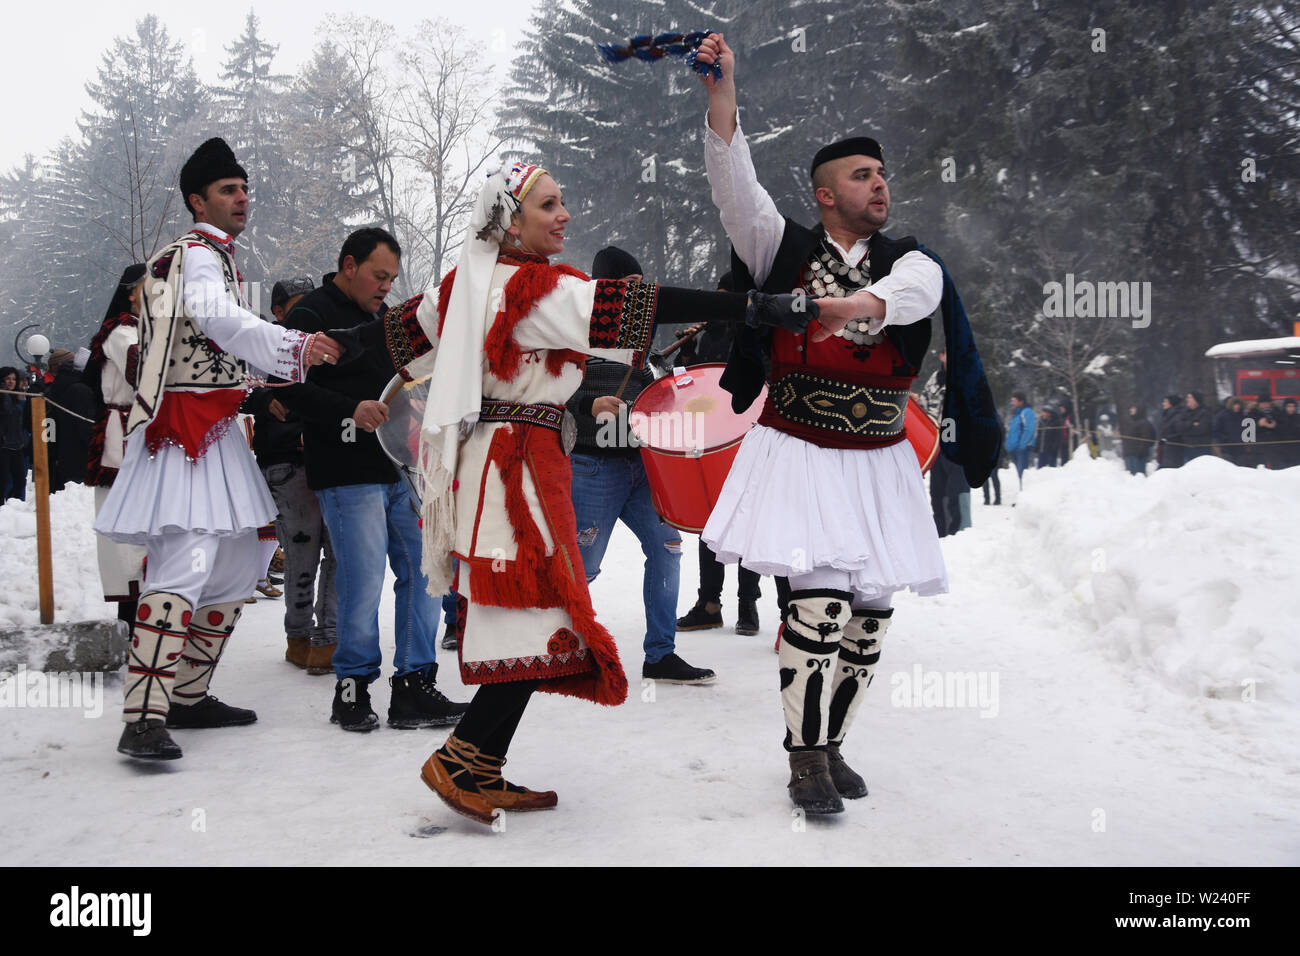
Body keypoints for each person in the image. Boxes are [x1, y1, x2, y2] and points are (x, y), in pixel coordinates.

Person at [363, 159, 818, 824]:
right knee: (533, 615)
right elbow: (640, 304)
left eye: (563, 201)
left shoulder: (462, 286)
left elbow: (389, 338)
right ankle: (462, 758)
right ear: (509, 221)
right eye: (548, 205)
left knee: (532, 616)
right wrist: (751, 307)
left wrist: (310, 348)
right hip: (515, 474)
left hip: (506, 467)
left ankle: (479, 762)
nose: (564, 214)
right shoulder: (535, 291)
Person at [693, 34, 999, 815]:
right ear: (827, 193)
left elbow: (919, 293)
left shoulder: (909, 259)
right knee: (818, 605)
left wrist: (852, 306)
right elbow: (737, 190)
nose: (881, 185)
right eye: (863, 176)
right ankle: (802, 759)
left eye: (884, 174)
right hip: (801, 447)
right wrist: (722, 92)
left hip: (879, 455)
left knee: (870, 619)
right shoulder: (780, 247)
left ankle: (830, 742)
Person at [94, 137, 344, 760]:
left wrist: (268, 374)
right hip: (184, 434)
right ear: (196, 199)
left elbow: (220, 340)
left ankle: (188, 695)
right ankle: (143, 714)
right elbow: (216, 320)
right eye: (229, 190)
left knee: (236, 565)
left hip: (217, 428)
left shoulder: (216, 257)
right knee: (185, 563)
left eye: (244, 189)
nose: (242, 199)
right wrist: (293, 347)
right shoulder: (195, 256)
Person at [278, 228, 466, 732]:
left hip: (397, 469)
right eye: (379, 276)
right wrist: (348, 410)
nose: (386, 286)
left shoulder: (387, 321)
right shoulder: (310, 316)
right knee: (362, 582)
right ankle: (352, 690)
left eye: (392, 279)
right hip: (345, 472)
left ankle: (414, 686)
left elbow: (406, 382)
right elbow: (288, 390)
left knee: (426, 572)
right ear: (348, 265)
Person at [567, 245, 715, 685]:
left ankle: (660, 655)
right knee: (584, 565)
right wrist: (587, 403)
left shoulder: (642, 337)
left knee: (668, 548)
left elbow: (651, 391)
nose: (635, 296)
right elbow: (545, 391)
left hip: (641, 467)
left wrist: (674, 380)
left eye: (639, 287)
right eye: (626, 287)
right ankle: (556, 645)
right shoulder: (575, 332)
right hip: (593, 468)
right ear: (604, 289)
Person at [245, 275, 339, 672]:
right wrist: (265, 397)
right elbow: (236, 385)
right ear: (279, 311)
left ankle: (328, 635)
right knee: (302, 552)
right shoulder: (262, 344)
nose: (306, 312)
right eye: (297, 305)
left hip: (332, 457)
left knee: (338, 552)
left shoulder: (326, 344)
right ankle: (298, 635)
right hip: (287, 459)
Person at [676, 272, 769, 635]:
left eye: (725, 297)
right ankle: (709, 603)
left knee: (745, 517)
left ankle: (748, 604)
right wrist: (685, 351)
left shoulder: (756, 332)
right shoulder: (710, 332)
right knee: (708, 520)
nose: (719, 303)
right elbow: (686, 382)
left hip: (747, 434)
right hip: (709, 434)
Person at [83, 264, 149, 622]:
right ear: (131, 293)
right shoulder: (123, 331)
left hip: (143, 431)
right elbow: (142, 370)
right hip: (123, 436)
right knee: (128, 524)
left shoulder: (146, 329)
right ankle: (132, 619)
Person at [0, 367, 27, 502]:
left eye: (14, 379)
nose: (11, 382)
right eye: (7, 379)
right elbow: (7, 412)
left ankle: (13, 510)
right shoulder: (3, 396)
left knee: (20, 481)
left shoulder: (17, 396)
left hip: (17, 445)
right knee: (2, 482)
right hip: (3, 446)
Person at [1005, 391, 1036, 488]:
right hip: (1015, 448)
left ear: (1021, 401)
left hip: (1023, 448)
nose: (1012, 403)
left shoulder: (1026, 412)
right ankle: (1021, 494)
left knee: (1023, 473)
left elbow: (1029, 429)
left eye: (1014, 401)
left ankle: (1024, 494)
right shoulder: (1016, 414)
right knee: (1019, 473)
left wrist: (1022, 445)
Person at [1121, 404, 1155, 475]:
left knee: (1139, 476)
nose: (1131, 410)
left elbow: (1147, 439)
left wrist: (1141, 452)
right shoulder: (1132, 423)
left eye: (1133, 408)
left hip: (1138, 456)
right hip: (1130, 454)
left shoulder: (1144, 423)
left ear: (1139, 410)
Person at [1213, 396, 1246, 465]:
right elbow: (1216, 431)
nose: (1237, 406)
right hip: (1226, 449)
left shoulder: (1243, 415)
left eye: (1238, 404)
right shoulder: (1222, 416)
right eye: (1235, 404)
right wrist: (1225, 439)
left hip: (1241, 449)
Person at [1182, 392, 1213, 461]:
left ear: (1196, 400)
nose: (1187, 399)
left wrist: (1187, 428)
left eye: (1190, 397)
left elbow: (1202, 429)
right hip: (1188, 449)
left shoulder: (1205, 412)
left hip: (1202, 449)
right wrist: (1192, 424)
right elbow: (1180, 427)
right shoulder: (1185, 413)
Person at [1158, 394, 1185, 468]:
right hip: (1167, 451)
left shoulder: (1177, 415)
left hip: (1174, 452)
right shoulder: (1167, 415)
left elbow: (1180, 432)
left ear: (1171, 403)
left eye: (1165, 401)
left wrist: (1167, 439)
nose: (1163, 403)